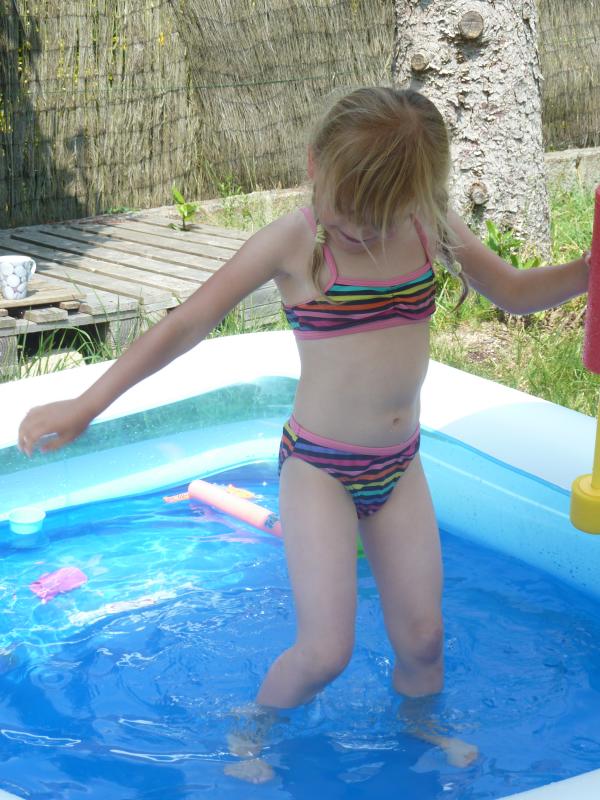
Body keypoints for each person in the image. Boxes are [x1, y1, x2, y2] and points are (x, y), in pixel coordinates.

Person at [18, 87, 590, 784]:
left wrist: (588, 272)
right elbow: (186, 324)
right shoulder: (293, 240)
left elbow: (515, 293)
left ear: (413, 193)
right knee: (325, 654)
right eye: (347, 208)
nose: (358, 227)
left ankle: (421, 728)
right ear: (316, 164)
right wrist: (86, 405)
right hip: (320, 468)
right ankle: (250, 731)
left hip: (399, 465)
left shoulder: (426, 223)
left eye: (378, 213)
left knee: (424, 639)